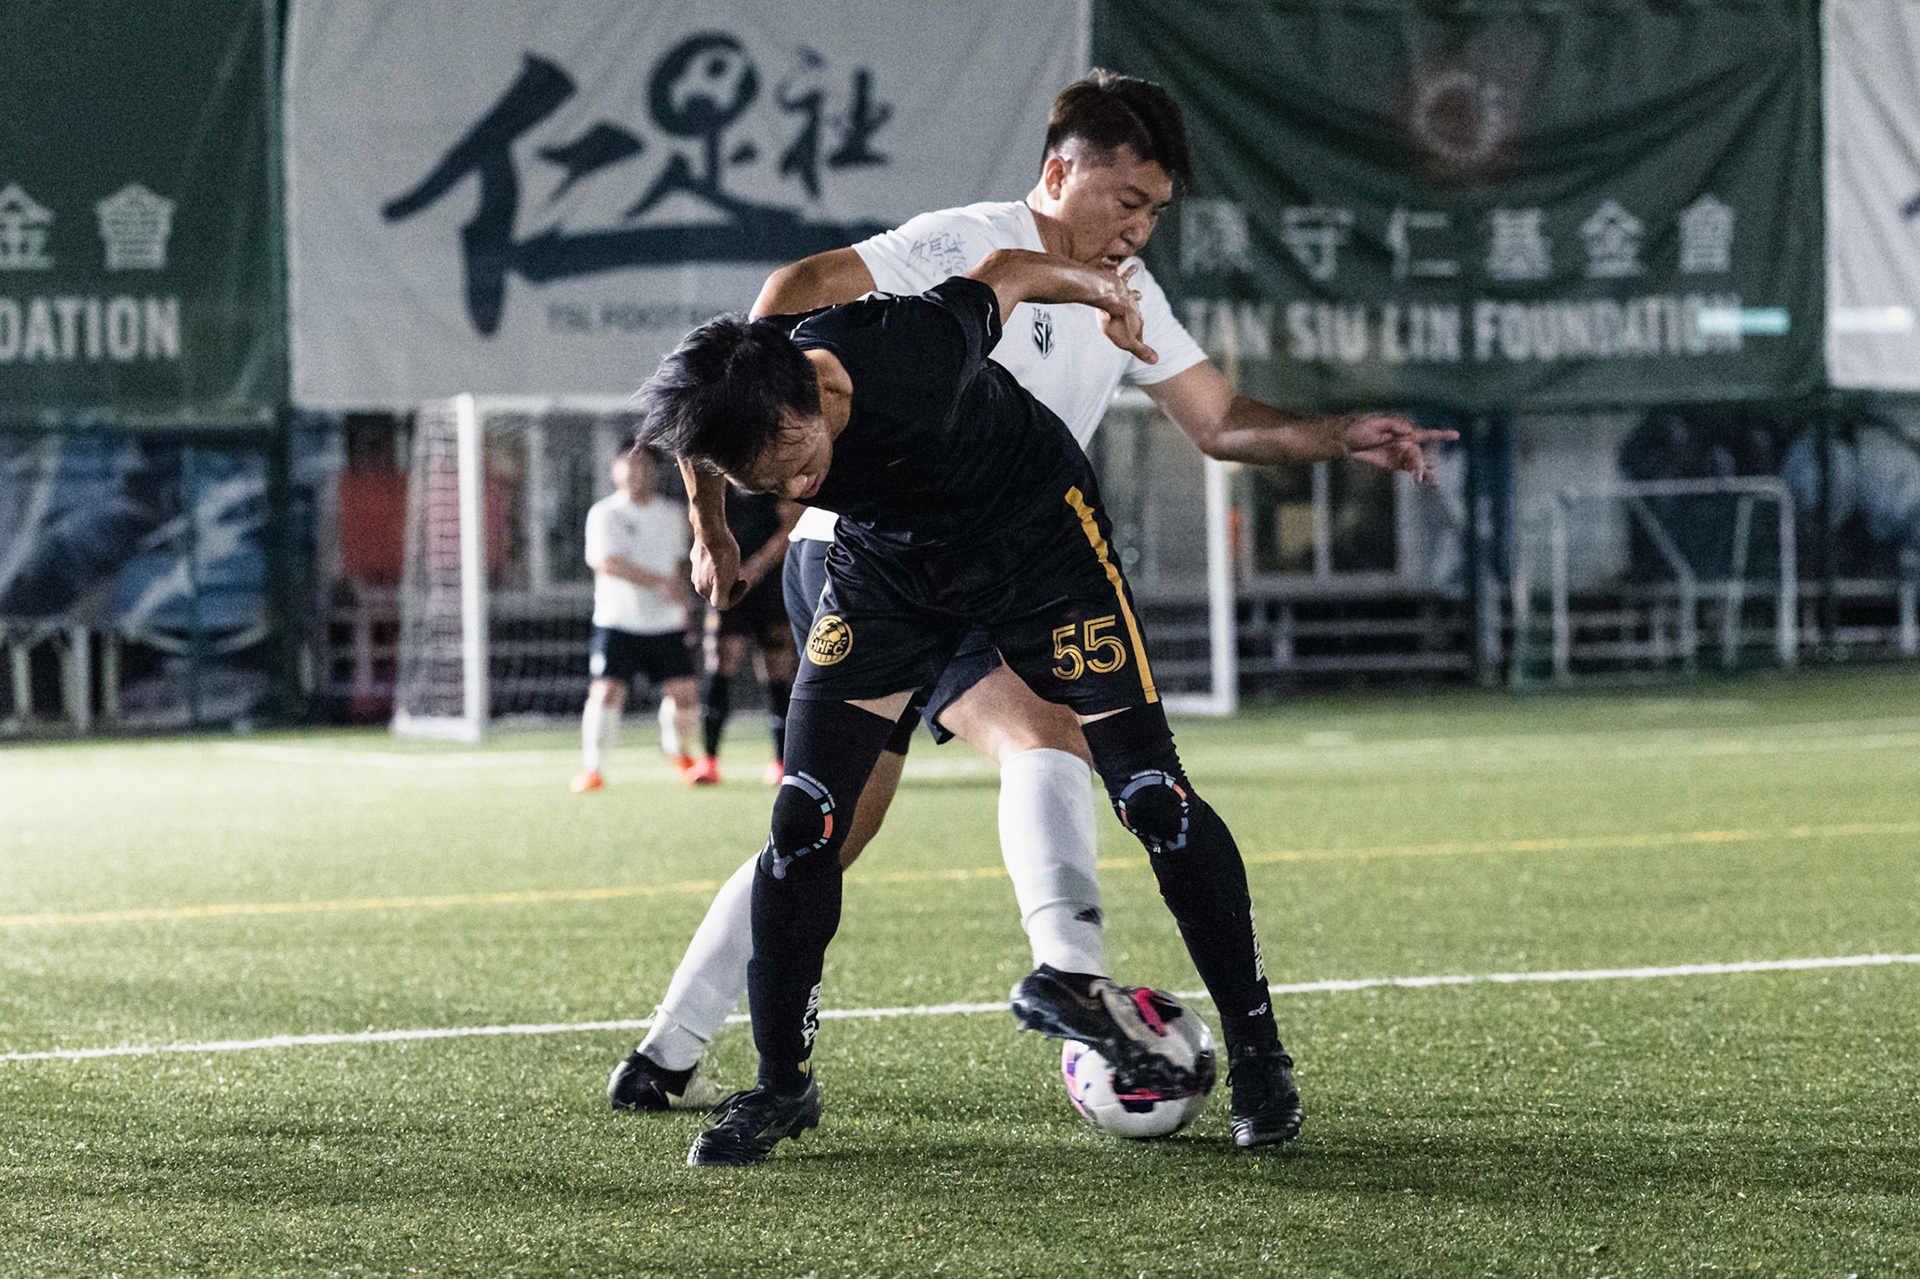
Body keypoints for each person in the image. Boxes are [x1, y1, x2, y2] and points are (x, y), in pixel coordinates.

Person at [607, 71, 1452, 1115]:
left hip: (1001, 562)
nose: (1138, 227)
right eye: (1125, 199)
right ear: (1058, 172)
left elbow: (1219, 421)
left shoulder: (1129, 287)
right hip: (870, 558)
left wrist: (1338, 435)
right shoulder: (967, 242)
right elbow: (791, 290)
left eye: (1156, 210)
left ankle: (667, 1053)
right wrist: (727, 497)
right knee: (1024, 744)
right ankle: (1071, 974)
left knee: (840, 829)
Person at [571, 449, 700, 793]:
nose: (638, 471)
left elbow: (680, 562)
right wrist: (659, 583)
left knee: (684, 693)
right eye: (630, 464)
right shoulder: (604, 513)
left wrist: (681, 590)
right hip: (618, 620)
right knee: (606, 692)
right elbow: (607, 563)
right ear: (615, 470)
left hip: (666, 621)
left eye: (645, 464)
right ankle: (593, 769)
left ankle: (679, 752)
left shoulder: (673, 514)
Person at [685, 490, 801, 787]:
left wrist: (757, 566)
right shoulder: (715, 486)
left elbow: (791, 528)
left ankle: (782, 762)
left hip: (771, 589)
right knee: (720, 661)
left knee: (778, 670)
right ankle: (709, 760)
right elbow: (698, 523)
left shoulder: (772, 485)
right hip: (729, 589)